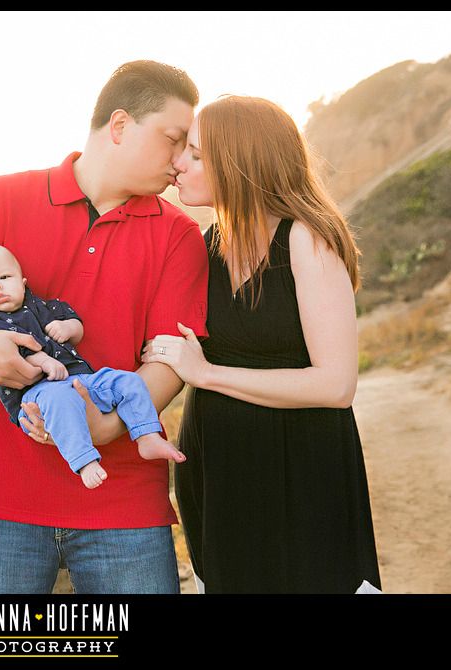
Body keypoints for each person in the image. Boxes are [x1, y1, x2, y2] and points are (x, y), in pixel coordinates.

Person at [0, 60, 208, 594]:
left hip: (124, 503)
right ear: (120, 126)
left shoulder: (180, 236)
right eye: (172, 140)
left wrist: (102, 428)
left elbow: (169, 360)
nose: (180, 161)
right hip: (1, 500)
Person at [141, 95, 383, 594]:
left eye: (197, 153)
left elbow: (337, 384)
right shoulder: (205, 246)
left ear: (240, 161)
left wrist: (206, 374)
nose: (179, 163)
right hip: (221, 478)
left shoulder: (305, 241)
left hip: (299, 477)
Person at [0, 244, 186, 489]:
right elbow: (8, 357)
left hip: (81, 378)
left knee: (128, 381)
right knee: (63, 401)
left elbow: (75, 325)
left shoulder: (38, 306)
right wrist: (42, 360)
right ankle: (84, 460)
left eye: (4, 277)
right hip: (36, 395)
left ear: (23, 282)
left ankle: (146, 434)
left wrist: (68, 327)